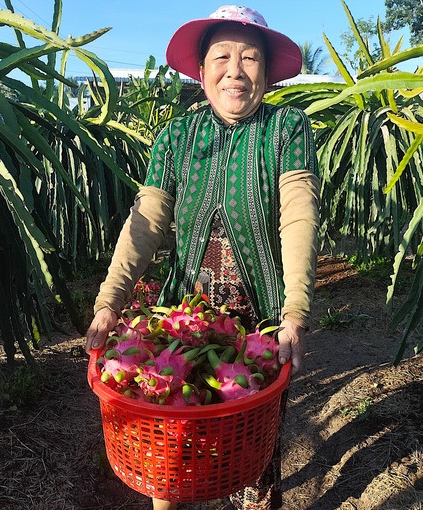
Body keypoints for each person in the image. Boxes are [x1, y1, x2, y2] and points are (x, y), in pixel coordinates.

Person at [85, 5, 320, 510]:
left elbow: (299, 214)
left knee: (253, 454)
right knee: (169, 451)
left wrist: (295, 311)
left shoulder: (289, 129)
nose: (235, 70)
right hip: (185, 322)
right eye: (222, 56)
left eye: (250, 57)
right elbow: (146, 221)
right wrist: (110, 301)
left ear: (267, 70)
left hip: (260, 325)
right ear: (201, 71)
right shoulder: (176, 136)